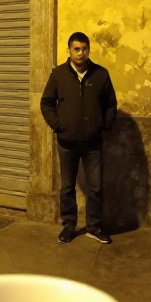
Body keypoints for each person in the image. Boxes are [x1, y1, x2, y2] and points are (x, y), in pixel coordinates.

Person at [40, 31, 117, 245]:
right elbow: (46, 102)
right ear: (70, 50)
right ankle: (69, 225)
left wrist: (103, 124)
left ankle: (94, 227)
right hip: (67, 142)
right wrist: (58, 125)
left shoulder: (101, 74)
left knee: (96, 187)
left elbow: (111, 104)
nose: (80, 53)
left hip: (93, 143)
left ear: (88, 50)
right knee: (67, 186)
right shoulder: (58, 75)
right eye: (76, 49)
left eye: (84, 49)